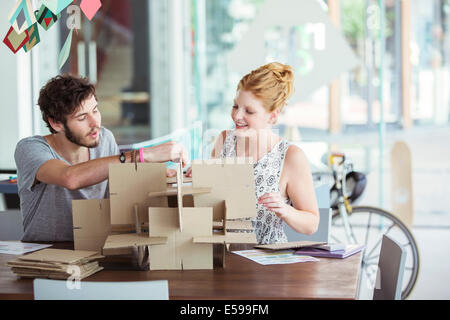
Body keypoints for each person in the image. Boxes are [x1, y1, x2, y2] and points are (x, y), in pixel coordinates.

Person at [15, 74, 188, 242]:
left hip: (95, 249)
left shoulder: (105, 139)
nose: (95, 123)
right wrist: (143, 155)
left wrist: (157, 175)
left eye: (95, 110)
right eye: (82, 117)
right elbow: (70, 177)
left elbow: (119, 193)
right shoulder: (30, 148)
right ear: (56, 123)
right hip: (45, 255)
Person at [189, 62, 319, 244]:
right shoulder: (223, 140)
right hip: (224, 256)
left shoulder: (290, 156)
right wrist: (198, 179)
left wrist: (285, 210)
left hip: (268, 262)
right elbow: (211, 201)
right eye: (235, 106)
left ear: (272, 116)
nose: (237, 116)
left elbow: (311, 224)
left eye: (248, 111)